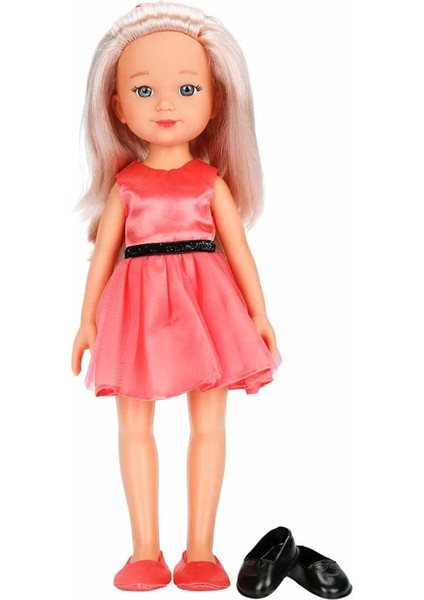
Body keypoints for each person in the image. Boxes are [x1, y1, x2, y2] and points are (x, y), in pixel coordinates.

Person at [71, 1, 282, 591]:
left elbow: (239, 251)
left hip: (208, 308)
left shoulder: (211, 183)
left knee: (208, 426)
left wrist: (259, 313)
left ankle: (201, 552)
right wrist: (86, 321)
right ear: (117, 106)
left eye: (188, 89)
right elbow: (105, 256)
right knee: (134, 426)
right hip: (135, 310)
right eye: (144, 91)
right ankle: (145, 551)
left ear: (216, 102)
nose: (165, 105)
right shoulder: (126, 186)